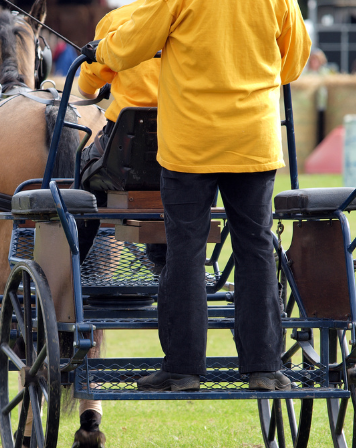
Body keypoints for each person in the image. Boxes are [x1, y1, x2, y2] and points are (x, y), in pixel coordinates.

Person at [81, 0, 311, 392]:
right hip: (253, 140)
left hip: (191, 143)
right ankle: (264, 368)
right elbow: (293, 62)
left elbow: (131, 45)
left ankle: (183, 369)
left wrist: (100, 49)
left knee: (185, 248)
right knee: (255, 247)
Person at [76, 0, 166, 272]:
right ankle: (162, 262)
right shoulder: (192, 21)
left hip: (124, 155)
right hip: (181, 150)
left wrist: (99, 88)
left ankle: (76, 263)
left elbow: (87, 88)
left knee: (83, 174)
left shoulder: (117, 19)